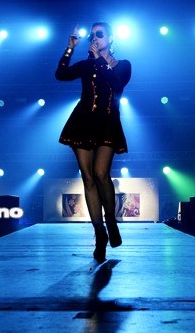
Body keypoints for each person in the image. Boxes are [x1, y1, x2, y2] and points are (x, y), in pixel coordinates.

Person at [55, 21, 132, 263]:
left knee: (101, 173)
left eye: (99, 34)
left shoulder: (123, 65)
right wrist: (70, 47)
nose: (95, 38)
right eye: (92, 35)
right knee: (87, 177)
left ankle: (111, 221)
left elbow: (117, 85)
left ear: (111, 38)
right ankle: (99, 234)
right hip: (82, 123)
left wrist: (99, 59)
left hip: (108, 123)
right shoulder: (87, 65)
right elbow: (61, 74)